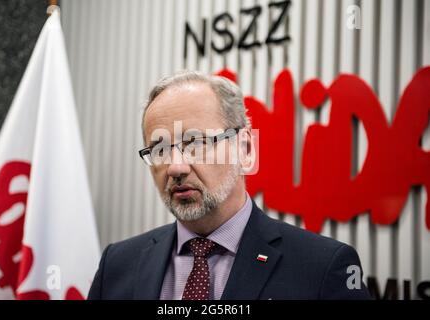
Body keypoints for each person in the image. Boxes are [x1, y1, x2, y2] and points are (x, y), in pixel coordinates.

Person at [88, 71, 371, 300]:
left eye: (196, 143)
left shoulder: (322, 268)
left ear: (245, 148)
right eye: (159, 149)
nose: (175, 167)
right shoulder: (118, 264)